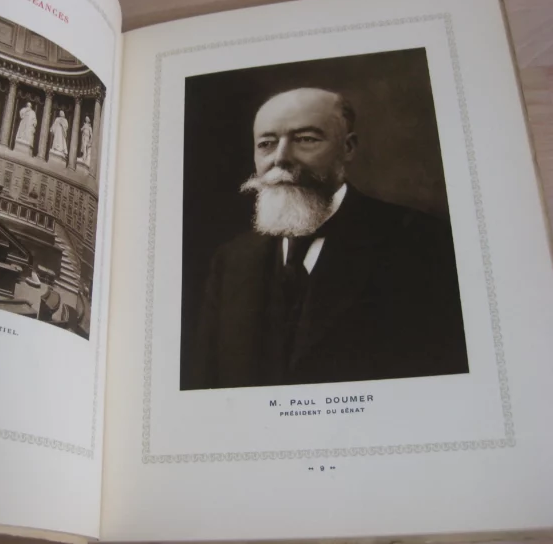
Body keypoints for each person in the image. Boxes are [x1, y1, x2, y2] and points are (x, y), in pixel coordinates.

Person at [187, 87, 468, 390]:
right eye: (266, 144)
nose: (281, 159)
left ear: (348, 148)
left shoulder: (420, 241)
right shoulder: (232, 261)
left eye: (306, 140)